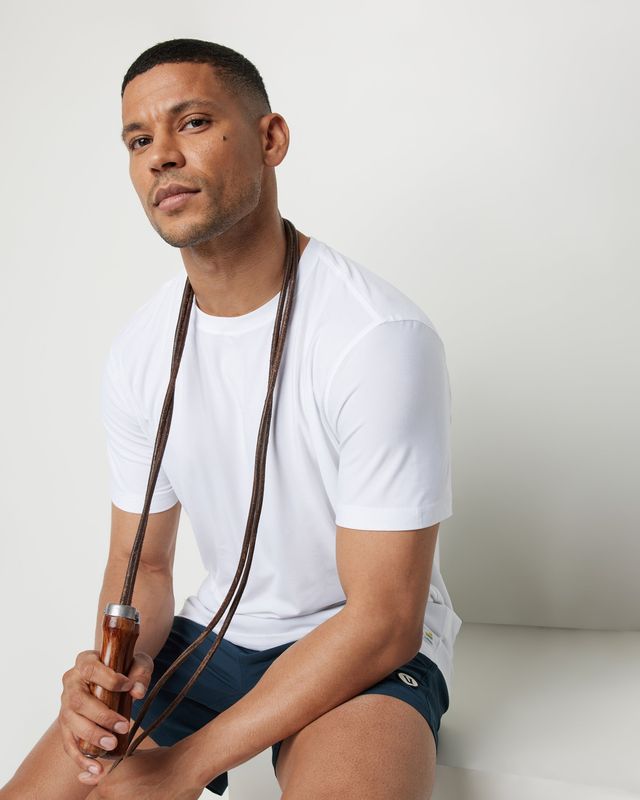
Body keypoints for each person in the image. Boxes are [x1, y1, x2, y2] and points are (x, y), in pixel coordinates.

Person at [1, 38, 462, 800]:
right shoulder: (140, 351)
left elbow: (384, 620)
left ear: (270, 138)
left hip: (358, 646)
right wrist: (115, 667)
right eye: (138, 140)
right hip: (217, 639)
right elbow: (145, 567)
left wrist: (184, 764)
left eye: (192, 123)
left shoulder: (376, 337)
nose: (161, 155)